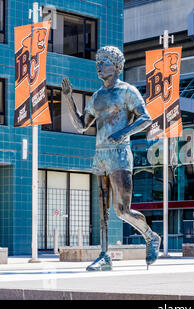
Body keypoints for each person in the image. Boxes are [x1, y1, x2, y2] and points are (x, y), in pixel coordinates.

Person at [61, 46, 161, 271]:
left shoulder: (127, 91)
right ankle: (104, 255)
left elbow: (146, 119)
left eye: (104, 61)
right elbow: (80, 126)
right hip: (101, 154)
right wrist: (69, 100)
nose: (99, 65)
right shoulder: (96, 97)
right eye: (98, 61)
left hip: (120, 154)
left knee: (121, 210)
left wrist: (123, 132)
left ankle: (150, 236)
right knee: (102, 210)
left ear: (116, 66)